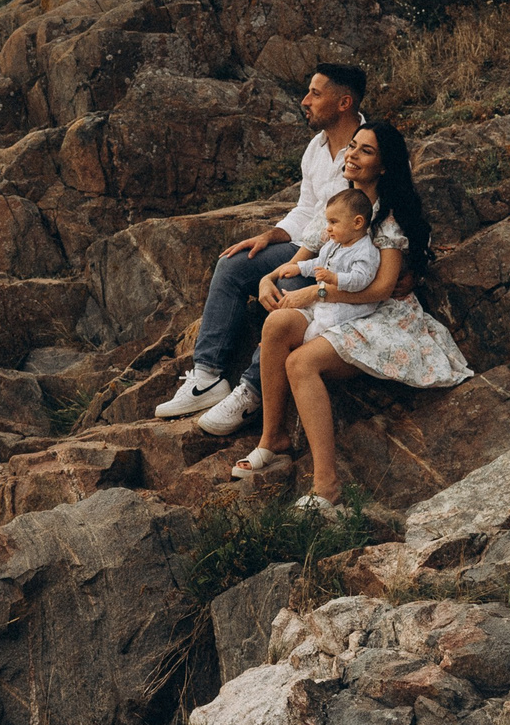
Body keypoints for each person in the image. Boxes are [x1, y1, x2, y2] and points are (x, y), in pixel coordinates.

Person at [232, 120, 472, 510]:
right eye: (353, 146)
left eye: (366, 150)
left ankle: (326, 485)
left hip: (376, 314)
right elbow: (299, 259)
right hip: (334, 305)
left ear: (385, 166)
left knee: (300, 363)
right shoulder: (341, 204)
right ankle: (272, 439)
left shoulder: (386, 219)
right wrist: (267, 279)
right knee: (276, 323)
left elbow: (380, 289)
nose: (353, 154)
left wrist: (318, 291)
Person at [152, 62, 366, 434]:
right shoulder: (316, 147)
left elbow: (351, 221)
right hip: (306, 248)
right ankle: (206, 377)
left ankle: (250, 391)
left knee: (291, 286)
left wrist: (281, 269)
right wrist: (271, 236)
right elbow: (306, 210)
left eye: (315, 94)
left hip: (341, 256)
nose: (305, 101)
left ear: (344, 102)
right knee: (234, 263)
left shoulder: (367, 146)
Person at [271, 190, 379, 341]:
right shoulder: (335, 244)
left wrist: (335, 278)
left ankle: (303, 342)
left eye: (334, 222)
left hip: (348, 305)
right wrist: (299, 268)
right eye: (328, 222)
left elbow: (361, 279)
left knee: (321, 324)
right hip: (327, 298)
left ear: (357, 223)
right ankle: (277, 336)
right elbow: (319, 263)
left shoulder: (365, 252)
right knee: (299, 307)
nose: (328, 228)